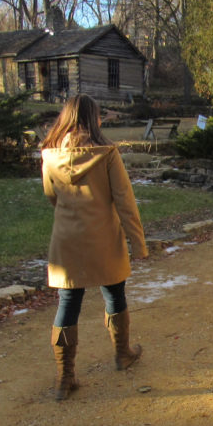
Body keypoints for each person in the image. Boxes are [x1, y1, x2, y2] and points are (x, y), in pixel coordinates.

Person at [41, 94, 149, 401]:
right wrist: (138, 242)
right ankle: (122, 354)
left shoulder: (49, 156)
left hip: (66, 239)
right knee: (114, 293)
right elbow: (125, 201)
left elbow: (52, 196)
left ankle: (65, 378)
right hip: (103, 236)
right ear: (93, 119)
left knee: (67, 301)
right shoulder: (108, 154)